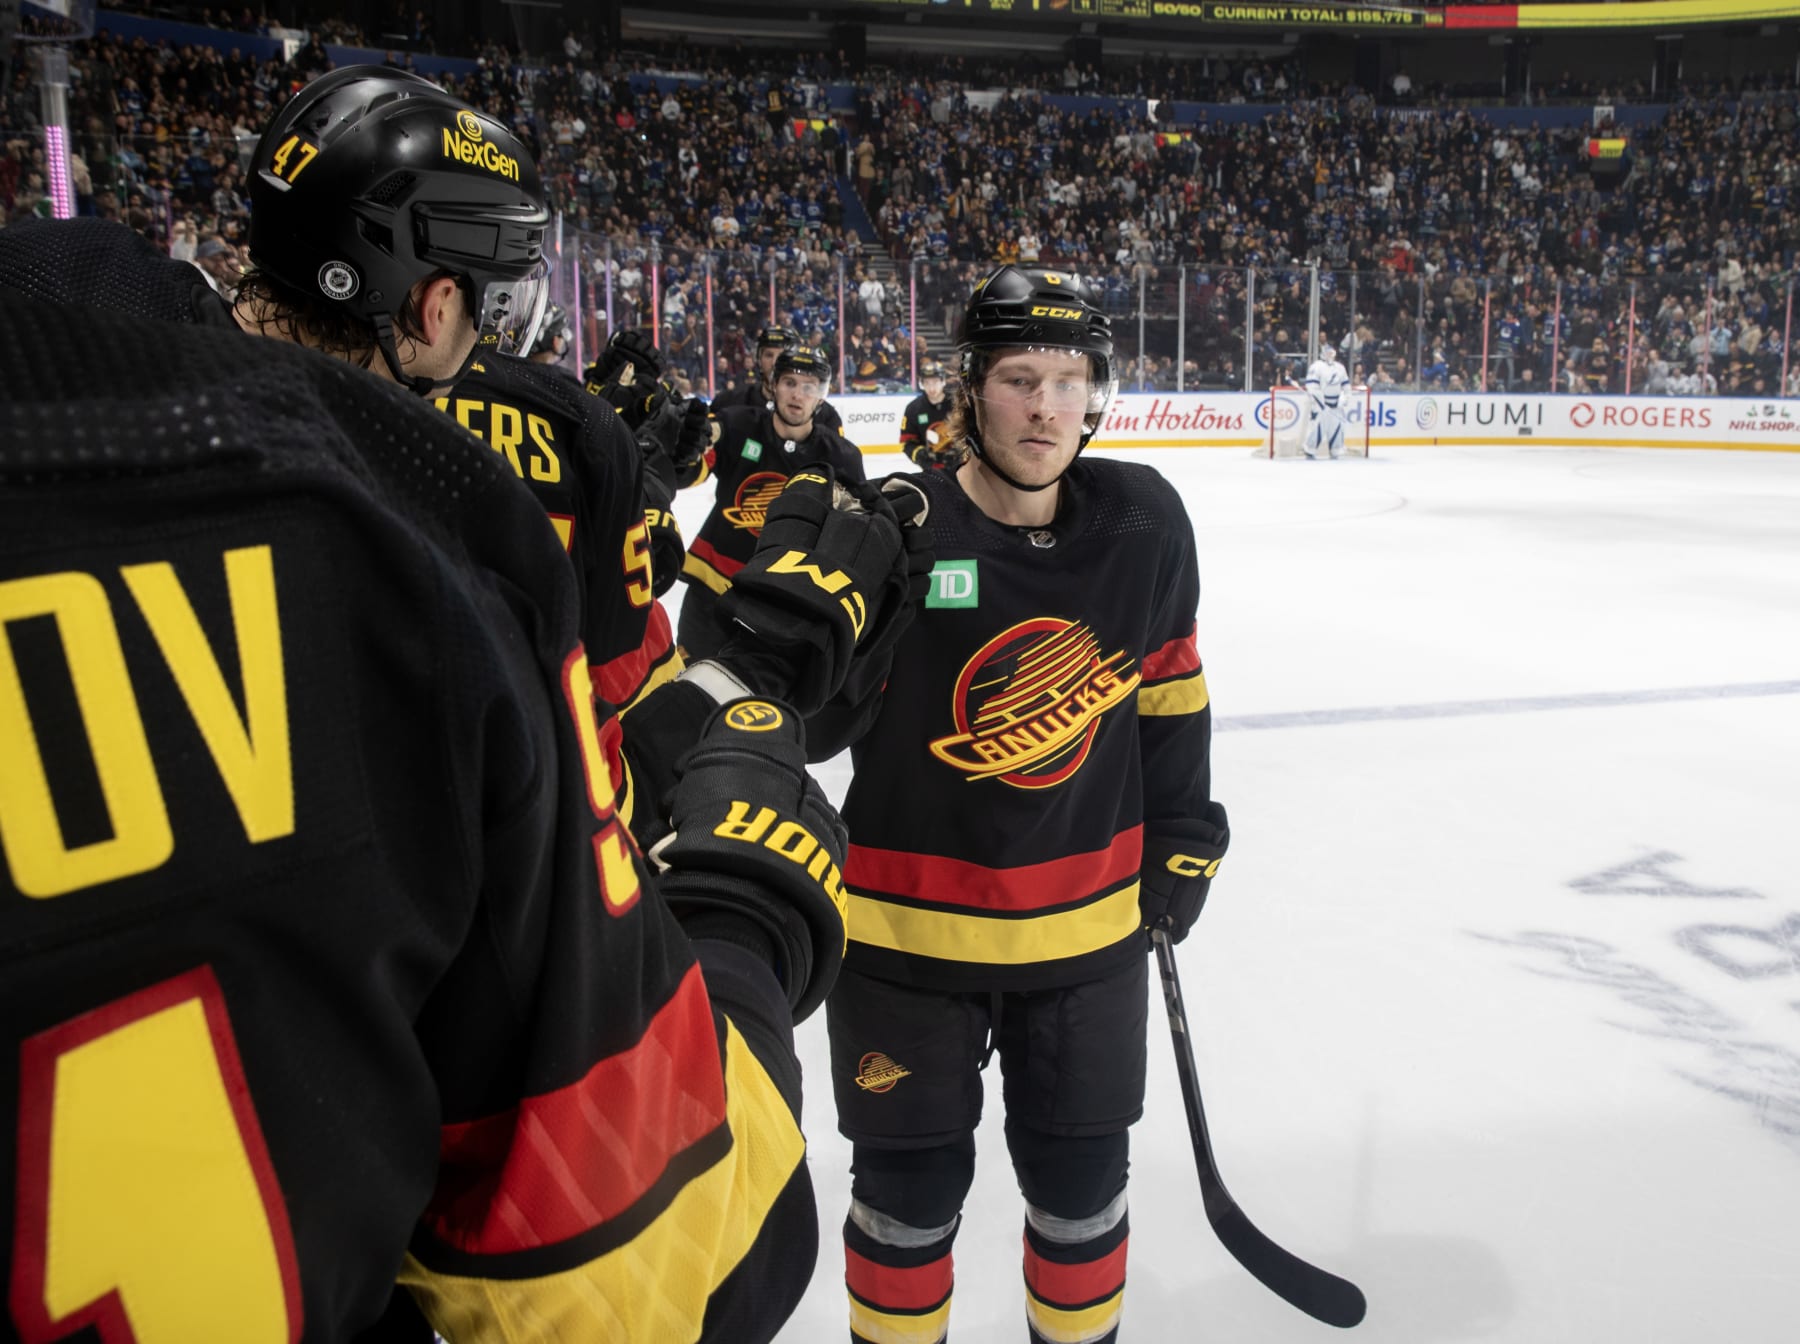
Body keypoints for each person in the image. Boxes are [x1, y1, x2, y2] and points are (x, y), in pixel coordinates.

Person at [0, 66, 921, 1341]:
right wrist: (742, 913)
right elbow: (666, 1258)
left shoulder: (66, 377)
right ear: (432, 305)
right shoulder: (422, 546)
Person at [821, 266, 1229, 1344]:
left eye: (1070, 378)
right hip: (907, 946)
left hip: (1085, 944)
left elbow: (1171, 694)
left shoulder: (1142, 523)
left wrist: (1184, 833)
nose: (1047, 405)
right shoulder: (904, 530)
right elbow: (812, 724)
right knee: (905, 1208)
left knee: (1083, 1196)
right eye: (1019, 378)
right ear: (969, 390)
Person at [678, 345, 866, 662]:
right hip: (713, 587)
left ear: (822, 395)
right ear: (774, 385)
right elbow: (689, 472)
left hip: (784, 601)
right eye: (790, 382)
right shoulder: (738, 426)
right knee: (691, 689)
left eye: (809, 387)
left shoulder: (840, 456)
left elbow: (854, 533)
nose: (798, 394)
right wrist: (685, 448)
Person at [710, 322, 845, 433]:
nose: (775, 362)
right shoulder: (728, 402)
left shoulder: (826, 416)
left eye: (783, 355)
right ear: (759, 360)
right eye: (768, 355)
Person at [898, 359, 958, 470]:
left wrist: (959, 452)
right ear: (922, 383)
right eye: (927, 382)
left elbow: (971, 434)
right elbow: (907, 442)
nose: (931, 388)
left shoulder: (957, 405)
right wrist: (920, 455)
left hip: (960, 470)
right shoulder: (913, 408)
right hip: (930, 470)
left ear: (943, 381)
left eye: (935, 382)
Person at [1303, 341, 1351, 459]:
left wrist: (1343, 399)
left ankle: (1336, 450)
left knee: (1336, 429)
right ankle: (1310, 450)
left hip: (1336, 406)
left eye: (1331, 353)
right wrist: (1321, 403)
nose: (1330, 355)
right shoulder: (1316, 366)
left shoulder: (1340, 368)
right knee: (1317, 428)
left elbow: (1346, 386)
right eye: (1327, 353)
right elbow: (1312, 387)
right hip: (1321, 406)